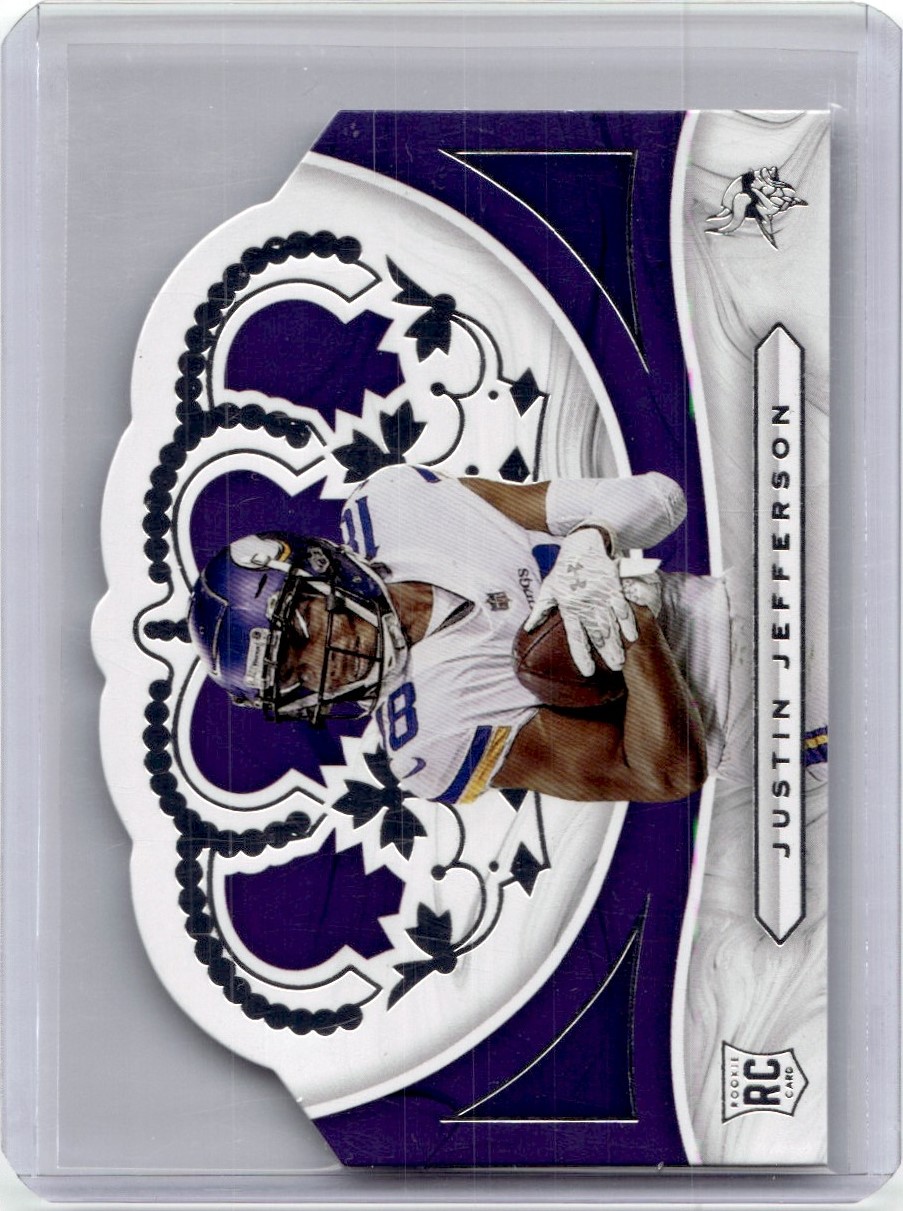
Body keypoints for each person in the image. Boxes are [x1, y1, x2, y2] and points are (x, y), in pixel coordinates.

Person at [188, 465, 746, 805]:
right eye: (296, 676)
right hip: (749, 721)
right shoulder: (428, 741)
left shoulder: (397, 506)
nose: (321, 667)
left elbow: (659, 497)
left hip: (738, 597)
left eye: (301, 634)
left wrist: (592, 540)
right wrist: (635, 629)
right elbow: (663, 774)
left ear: (316, 570)